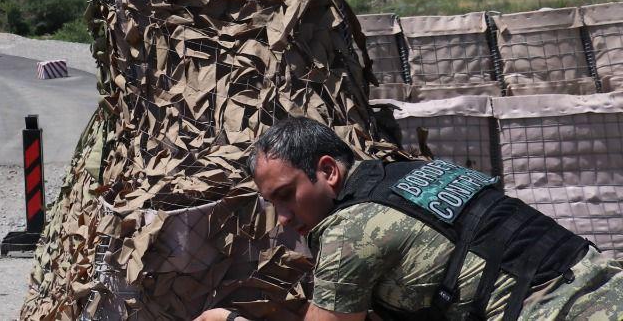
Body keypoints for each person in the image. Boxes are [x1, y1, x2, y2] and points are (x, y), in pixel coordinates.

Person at [194, 116, 623, 321]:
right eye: (273, 203)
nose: (284, 218)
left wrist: (227, 320)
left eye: (287, 196)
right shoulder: (413, 173)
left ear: (327, 171)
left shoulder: (353, 230)